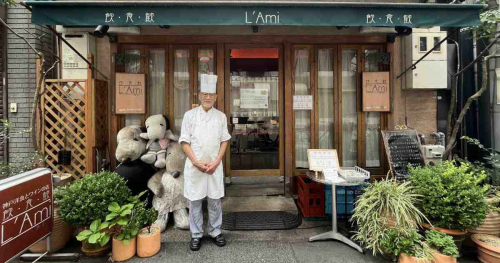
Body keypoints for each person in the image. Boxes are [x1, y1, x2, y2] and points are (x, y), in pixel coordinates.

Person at [178, 74, 231, 251]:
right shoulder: (189, 116)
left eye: (211, 94)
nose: (208, 97)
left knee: (215, 200)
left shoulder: (221, 116)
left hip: (214, 166)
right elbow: (184, 142)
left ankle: (216, 231)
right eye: (205, 94)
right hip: (195, 167)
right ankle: (196, 234)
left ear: (216, 97)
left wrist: (216, 162)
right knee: (195, 201)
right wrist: (196, 162)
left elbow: (224, 140)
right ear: (200, 96)